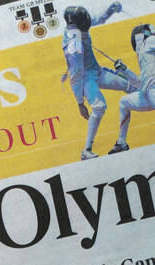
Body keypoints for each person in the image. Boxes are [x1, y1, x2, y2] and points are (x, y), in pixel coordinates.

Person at [62, 3, 131, 159]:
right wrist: (80, 103)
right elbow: (75, 75)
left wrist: (112, 8)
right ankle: (86, 150)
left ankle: (121, 142)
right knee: (99, 107)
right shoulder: (73, 45)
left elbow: (99, 18)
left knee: (129, 85)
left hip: (97, 71)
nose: (88, 24)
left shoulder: (80, 21)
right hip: (85, 78)